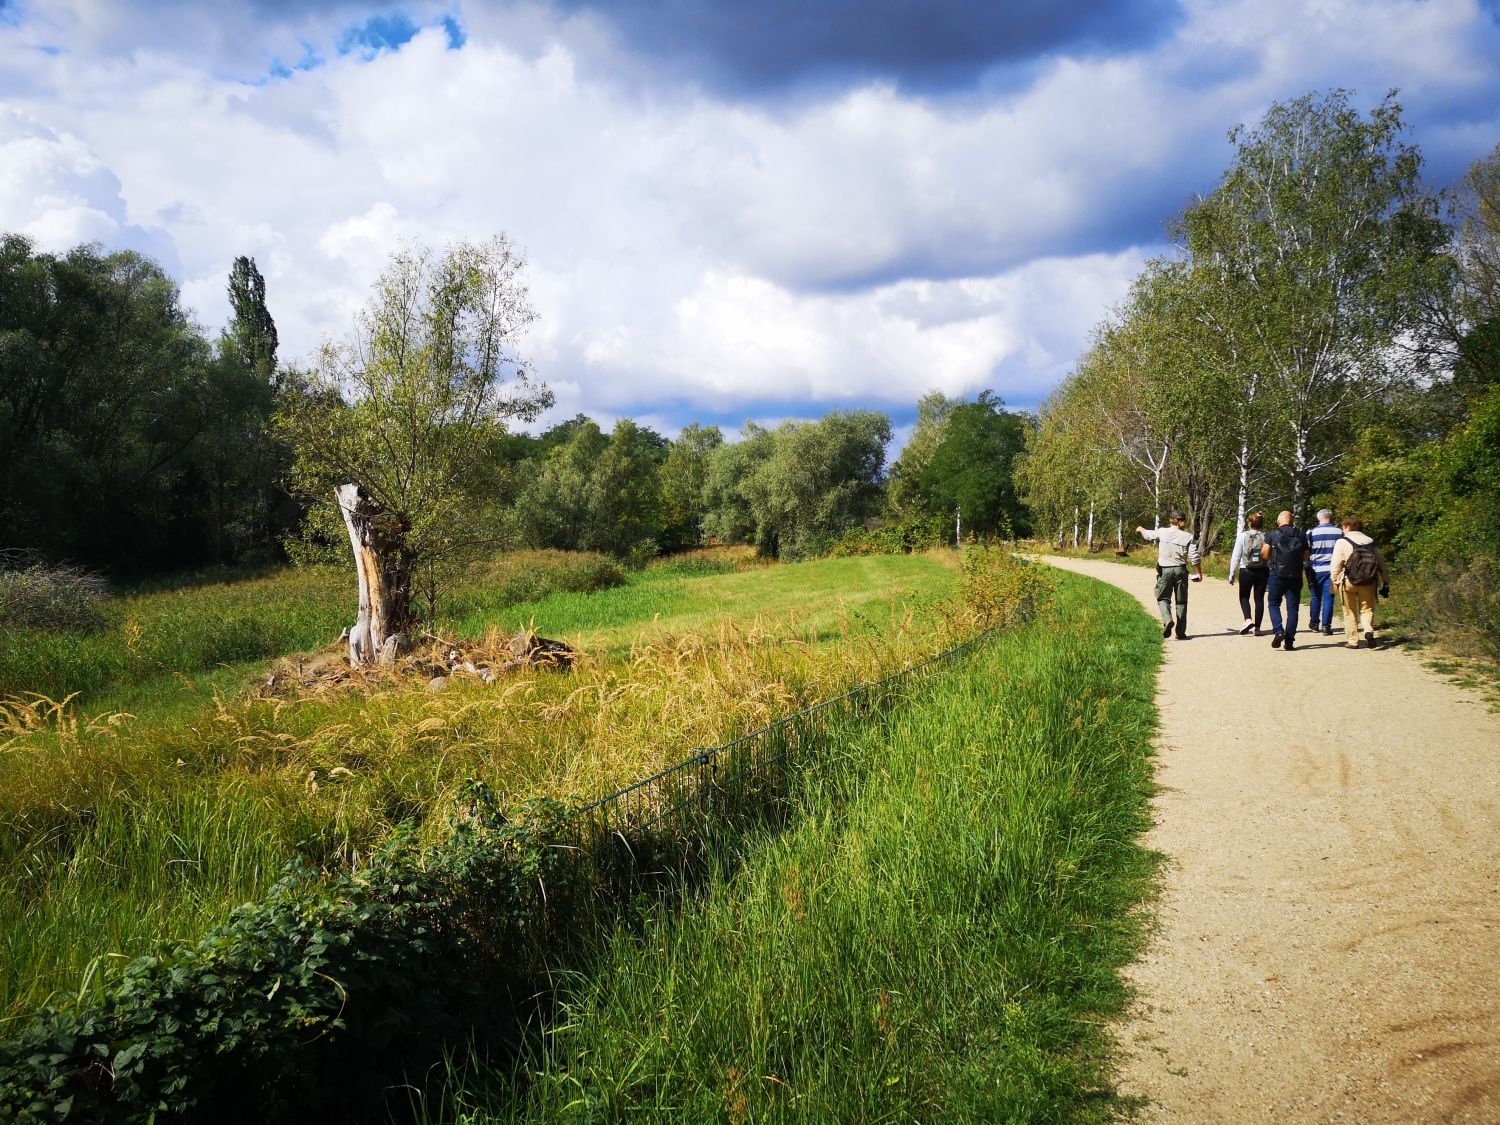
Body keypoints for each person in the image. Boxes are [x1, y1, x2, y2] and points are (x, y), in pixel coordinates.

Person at [1137, 510, 1204, 640]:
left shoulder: (1163, 531)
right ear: (1183, 521)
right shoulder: (1188, 536)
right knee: (1182, 602)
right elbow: (1194, 557)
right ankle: (1180, 633)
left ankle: (1168, 620)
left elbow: (1148, 535)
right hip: (1181, 571)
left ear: (1171, 520)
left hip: (1165, 570)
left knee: (1162, 598)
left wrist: (1141, 529)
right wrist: (1199, 573)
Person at [1330, 517, 1390, 649]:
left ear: (1347, 527)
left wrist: (1334, 580)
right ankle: (1368, 630)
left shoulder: (1342, 542)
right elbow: (1381, 564)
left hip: (1348, 581)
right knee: (1367, 609)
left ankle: (1353, 641)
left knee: (1349, 611)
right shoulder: (1370, 541)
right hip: (1369, 581)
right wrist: (1386, 581)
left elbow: (1336, 563)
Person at [1262, 510, 1309, 651]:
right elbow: (1306, 555)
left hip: (1277, 574)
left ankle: (1278, 631)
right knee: (1293, 609)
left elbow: (1264, 554)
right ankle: (1289, 641)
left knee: (1273, 603)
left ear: (1279, 521)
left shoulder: (1272, 534)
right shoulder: (1301, 534)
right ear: (1291, 520)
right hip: (1295, 576)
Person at [1226, 511, 1270, 635]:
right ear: (1261, 524)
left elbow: (1236, 555)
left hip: (1246, 569)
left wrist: (1231, 573)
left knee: (1244, 596)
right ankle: (1258, 628)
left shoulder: (1243, 536)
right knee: (1259, 598)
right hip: (1263, 570)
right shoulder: (1266, 536)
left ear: (1249, 523)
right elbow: (1269, 555)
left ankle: (1248, 619)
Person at [1305, 507, 1341, 635]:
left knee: (1315, 596)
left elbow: (1307, 551)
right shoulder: (1339, 532)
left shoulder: (1311, 532)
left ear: (1319, 518)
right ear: (1330, 517)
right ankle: (1326, 626)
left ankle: (1314, 623)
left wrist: (1306, 566)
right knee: (1329, 597)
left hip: (1316, 569)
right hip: (1333, 569)